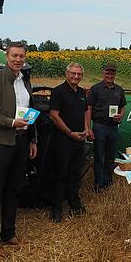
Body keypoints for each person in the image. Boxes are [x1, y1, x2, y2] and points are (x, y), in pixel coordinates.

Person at [0, 42, 38, 256]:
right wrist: (11, 123)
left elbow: (30, 112)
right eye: (14, 55)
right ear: (6, 56)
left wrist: (33, 140)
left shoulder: (25, 82)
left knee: (14, 190)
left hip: (21, 142)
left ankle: (9, 233)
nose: (18, 60)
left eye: (21, 56)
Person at [48, 62, 91, 222]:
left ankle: (74, 204)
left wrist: (87, 128)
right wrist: (69, 132)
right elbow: (54, 114)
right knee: (60, 175)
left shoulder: (81, 92)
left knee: (75, 174)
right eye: (73, 73)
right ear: (67, 74)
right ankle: (56, 209)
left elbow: (86, 111)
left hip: (79, 140)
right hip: (63, 140)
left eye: (79, 74)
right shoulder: (58, 92)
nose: (76, 76)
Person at [87, 63, 126, 192]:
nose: (110, 75)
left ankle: (108, 181)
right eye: (107, 73)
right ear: (103, 73)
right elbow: (89, 108)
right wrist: (89, 127)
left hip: (113, 127)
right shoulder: (95, 89)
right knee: (99, 156)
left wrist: (121, 116)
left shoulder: (119, 90)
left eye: (112, 73)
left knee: (110, 156)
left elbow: (123, 106)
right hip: (99, 126)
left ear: (115, 74)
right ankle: (98, 183)